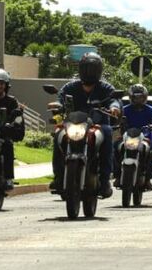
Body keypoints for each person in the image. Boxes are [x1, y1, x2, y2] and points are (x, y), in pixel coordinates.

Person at [50, 53, 118, 198]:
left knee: (107, 132)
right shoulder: (70, 87)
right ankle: (58, 176)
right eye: (86, 68)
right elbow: (60, 98)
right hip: (74, 125)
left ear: (99, 70)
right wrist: (58, 104)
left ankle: (105, 180)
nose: (89, 72)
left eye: (92, 69)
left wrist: (114, 107)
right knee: (58, 134)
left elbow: (113, 99)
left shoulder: (105, 88)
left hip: (98, 125)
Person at [119, 83, 152, 190]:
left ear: (145, 97)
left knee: (151, 151)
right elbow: (117, 119)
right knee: (117, 147)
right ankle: (117, 175)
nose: (138, 99)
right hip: (127, 137)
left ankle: (147, 179)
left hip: (145, 137)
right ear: (131, 97)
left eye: (140, 97)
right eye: (135, 97)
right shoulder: (125, 109)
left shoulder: (151, 110)